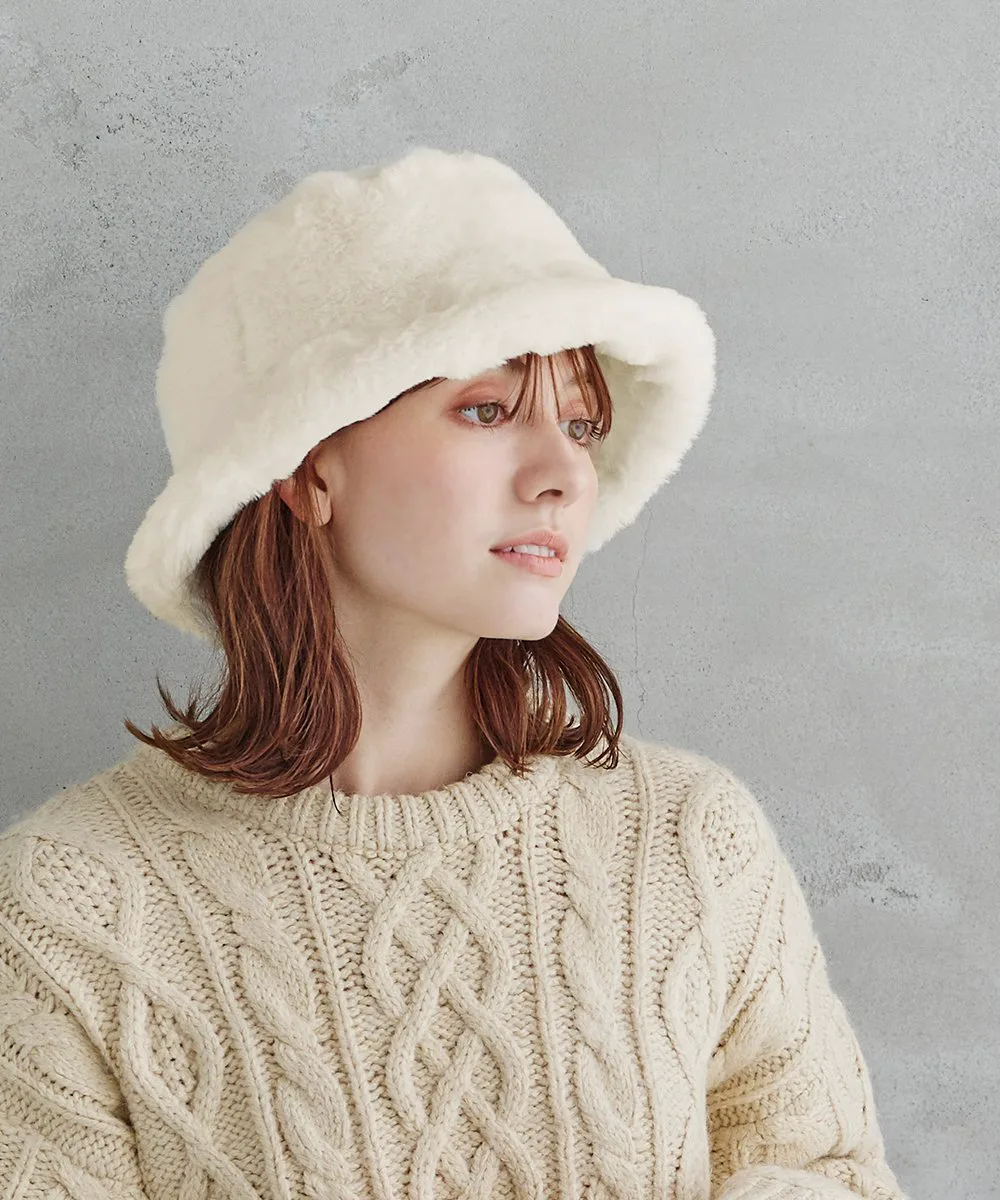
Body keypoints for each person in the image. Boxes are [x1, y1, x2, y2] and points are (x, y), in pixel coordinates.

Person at [0, 147, 909, 1199]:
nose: (563, 473)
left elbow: (829, 1173)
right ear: (305, 464)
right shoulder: (72, 907)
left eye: (581, 425)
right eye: (487, 410)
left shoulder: (691, 844)